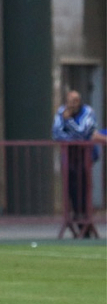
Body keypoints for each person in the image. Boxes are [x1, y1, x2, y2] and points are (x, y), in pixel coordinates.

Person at [52, 90, 106, 237]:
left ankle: (86, 224)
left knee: (84, 190)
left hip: (84, 156)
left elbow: (84, 133)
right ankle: (79, 222)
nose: (73, 104)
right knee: (72, 191)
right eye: (70, 101)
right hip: (69, 156)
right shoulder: (61, 112)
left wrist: (68, 122)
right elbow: (56, 134)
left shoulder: (87, 112)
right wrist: (71, 137)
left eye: (75, 101)